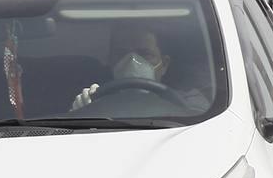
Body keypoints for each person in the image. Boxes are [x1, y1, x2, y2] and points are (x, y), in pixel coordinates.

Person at [71, 25, 209, 113]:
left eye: (145, 54)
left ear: (164, 64)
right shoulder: (95, 101)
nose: (131, 60)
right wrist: (83, 110)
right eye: (121, 53)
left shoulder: (189, 101)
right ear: (110, 61)